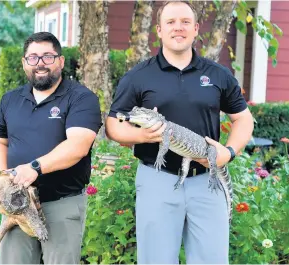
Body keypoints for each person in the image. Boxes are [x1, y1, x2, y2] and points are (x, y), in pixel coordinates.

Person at [105, 1, 254, 264]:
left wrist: (228, 153)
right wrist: (142, 136)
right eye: (171, 22)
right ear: (159, 31)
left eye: (185, 22)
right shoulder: (138, 76)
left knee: (212, 260)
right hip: (157, 178)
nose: (178, 28)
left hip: (208, 181)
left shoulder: (218, 74)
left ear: (196, 29)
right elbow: (113, 124)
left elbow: (243, 119)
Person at [0, 32, 102, 264]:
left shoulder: (81, 98)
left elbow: (78, 145)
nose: (40, 63)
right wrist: (5, 176)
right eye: (33, 57)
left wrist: (35, 168)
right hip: (17, 203)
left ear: (60, 61)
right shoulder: (10, 100)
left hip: (61, 203)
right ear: (24, 63)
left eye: (47, 56)